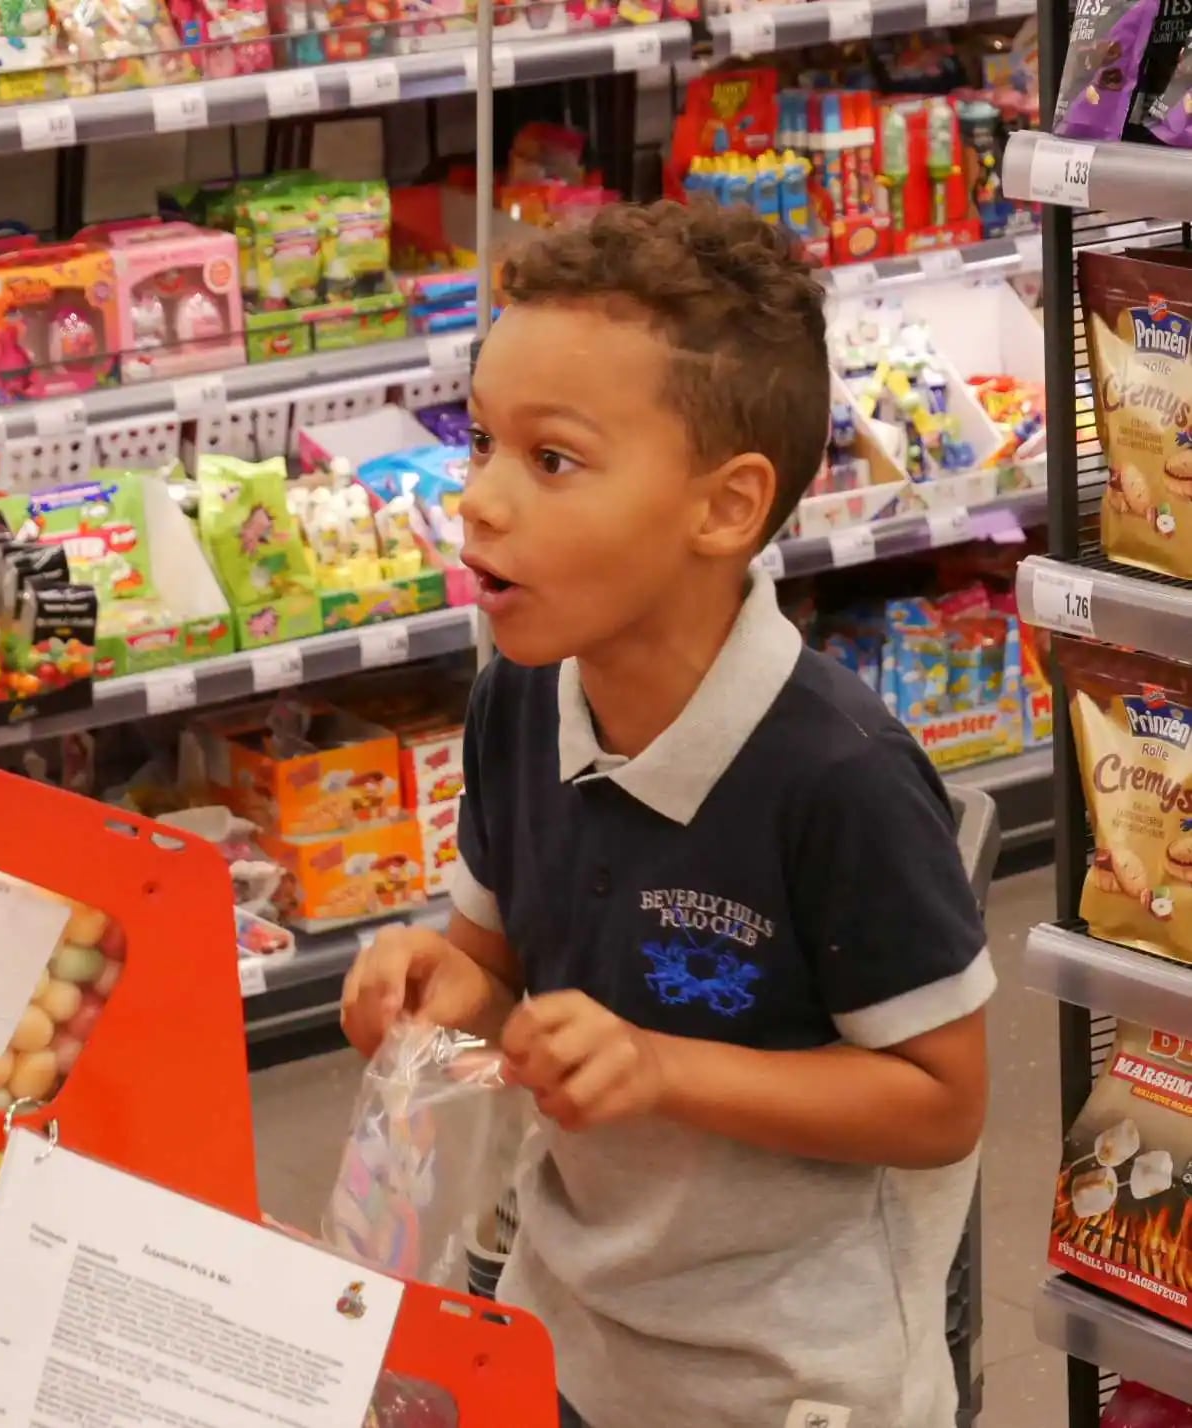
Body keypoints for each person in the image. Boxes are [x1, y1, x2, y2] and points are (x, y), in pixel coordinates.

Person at [340, 201, 992, 1428]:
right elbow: (494, 965)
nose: (477, 499)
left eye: (552, 460)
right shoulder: (519, 701)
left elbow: (941, 1099)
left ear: (726, 508)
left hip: (786, 1381)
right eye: (480, 442)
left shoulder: (840, 780)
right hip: (568, 1327)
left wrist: (659, 1067)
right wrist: (435, 983)